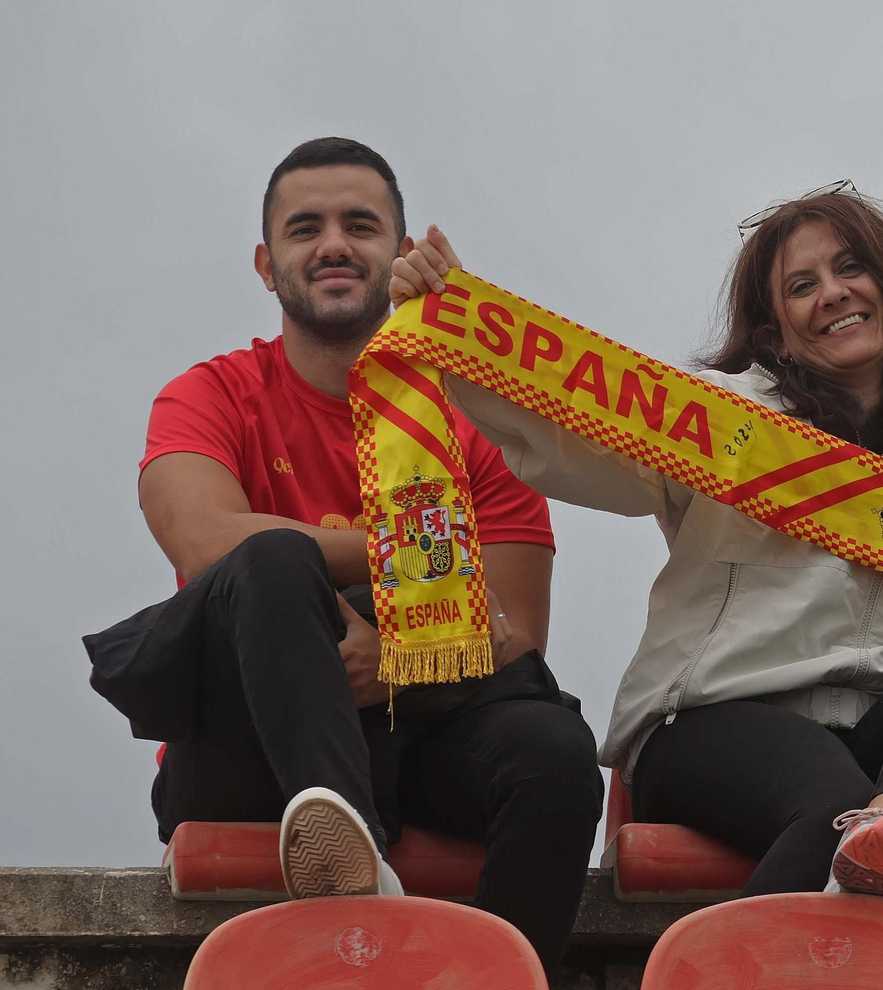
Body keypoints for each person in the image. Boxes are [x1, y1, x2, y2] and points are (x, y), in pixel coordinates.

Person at [389, 185, 883, 899]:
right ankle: (867, 838)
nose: (832, 293)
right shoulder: (724, 419)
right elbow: (567, 428)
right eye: (801, 286)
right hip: (722, 722)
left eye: (851, 268)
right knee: (829, 810)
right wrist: (452, 324)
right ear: (775, 330)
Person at [83, 137, 603, 965]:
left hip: (421, 731)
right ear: (265, 263)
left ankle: (497, 978)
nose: (332, 244)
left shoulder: (475, 425)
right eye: (305, 228)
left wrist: (390, 661)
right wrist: (418, 556)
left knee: (558, 755)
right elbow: (205, 539)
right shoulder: (210, 393)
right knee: (266, 561)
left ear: (400, 254)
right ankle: (351, 870)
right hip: (242, 743)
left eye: (360, 225)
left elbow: (515, 637)